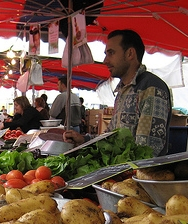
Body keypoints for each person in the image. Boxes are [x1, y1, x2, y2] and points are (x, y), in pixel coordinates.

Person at [64, 29, 172, 157]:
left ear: (130, 53)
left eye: (111, 53)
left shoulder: (151, 88)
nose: (105, 60)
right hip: (122, 171)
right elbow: (112, 137)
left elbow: (146, 152)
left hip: (140, 175)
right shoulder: (123, 90)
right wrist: (84, 140)